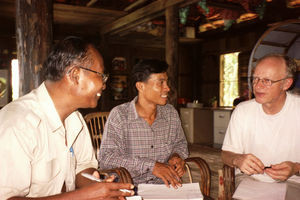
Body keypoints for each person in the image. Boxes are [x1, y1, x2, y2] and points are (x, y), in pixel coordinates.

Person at [0, 37, 134, 200]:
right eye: (101, 76)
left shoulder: (75, 119)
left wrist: (102, 188)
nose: (104, 85)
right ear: (75, 75)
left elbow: (82, 169)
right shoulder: (18, 122)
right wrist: (85, 195)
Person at [98, 59, 189, 188]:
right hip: (130, 189)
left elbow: (180, 143)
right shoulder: (120, 115)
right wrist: (151, 166)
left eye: (166, 82)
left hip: (166, 187)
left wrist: (176, 156)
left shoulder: (170, 114)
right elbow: (107, 159)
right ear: (140, 86)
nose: (167, 88)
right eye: (161, 83)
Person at [222, 53, 300, 185]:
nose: (257, 86)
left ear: (286, 83)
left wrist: (296, 168)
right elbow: (226, 154)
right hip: (249, 180)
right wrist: (237, 159)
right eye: (255, 79)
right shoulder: (242, 111)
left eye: (266, 81)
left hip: (293, 183)